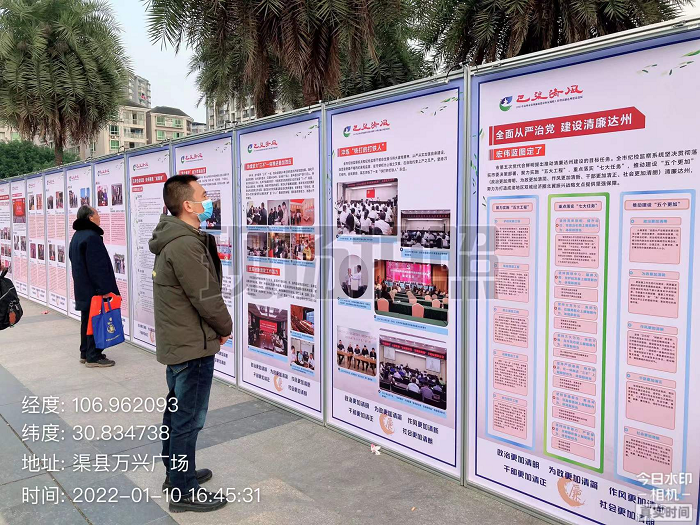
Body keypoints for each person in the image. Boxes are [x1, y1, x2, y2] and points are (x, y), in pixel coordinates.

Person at [149, 175, 233, 513]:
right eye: (203, 195)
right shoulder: (184, 244)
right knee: (187, 419)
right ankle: (184, 491)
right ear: (187, 204)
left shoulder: (176, 238)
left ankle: (177, 474)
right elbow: (206, 296)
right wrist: (225, 327)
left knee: (177, 414)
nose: (207, 200)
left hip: (182, 341)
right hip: (192, 345)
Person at [68, 205, 120, 368]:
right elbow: (97, 267)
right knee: (95, 320)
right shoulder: (92, 237)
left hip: (83, 287)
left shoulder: (77, 236)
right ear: (90, 217)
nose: (99, 217)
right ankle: (93, 356)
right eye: (97, 214)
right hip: (93, 289)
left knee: (87, 319)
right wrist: (103, 290)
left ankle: (85, 352)